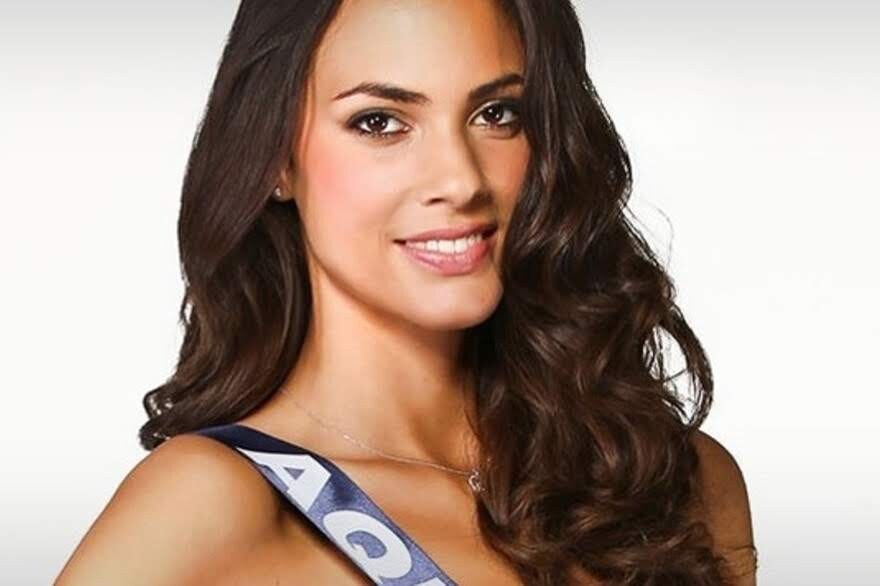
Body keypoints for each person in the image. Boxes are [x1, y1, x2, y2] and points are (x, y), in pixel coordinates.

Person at [55, 0, 756, 584]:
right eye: (380, 122)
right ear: (276, 161)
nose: (460, 179)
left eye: (497, 114)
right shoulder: (215, 504)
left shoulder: (679, 484)